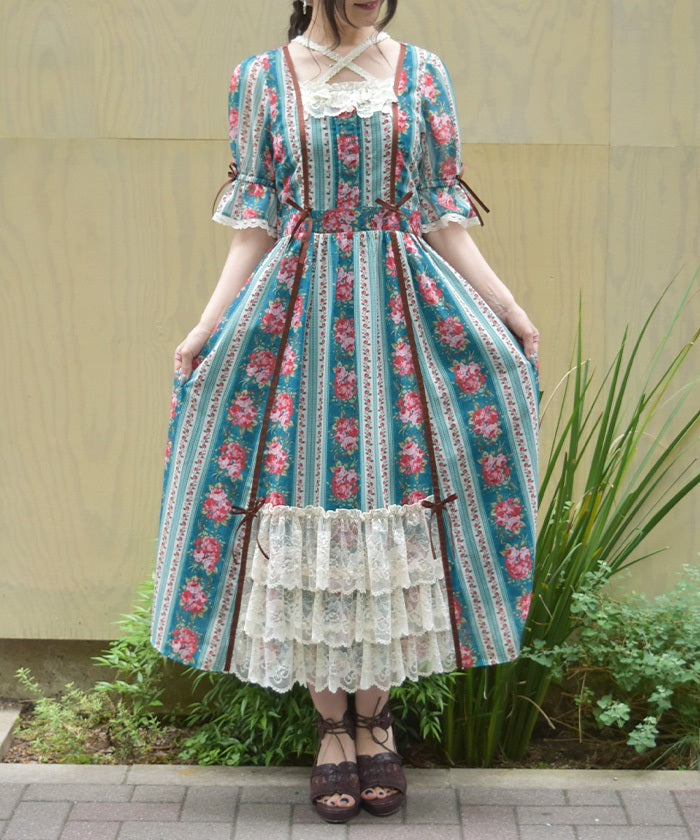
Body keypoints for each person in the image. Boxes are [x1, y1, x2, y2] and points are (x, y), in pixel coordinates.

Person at [151, 0, 539, 824]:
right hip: (296, 326)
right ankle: (333, 729)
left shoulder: (423, 73)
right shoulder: (260, 79)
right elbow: (254, 226)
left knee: (391, 510)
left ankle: (376, 721)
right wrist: (206, 327)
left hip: (402, 320)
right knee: (310, 509)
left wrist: (507, 309)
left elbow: (440, 216)